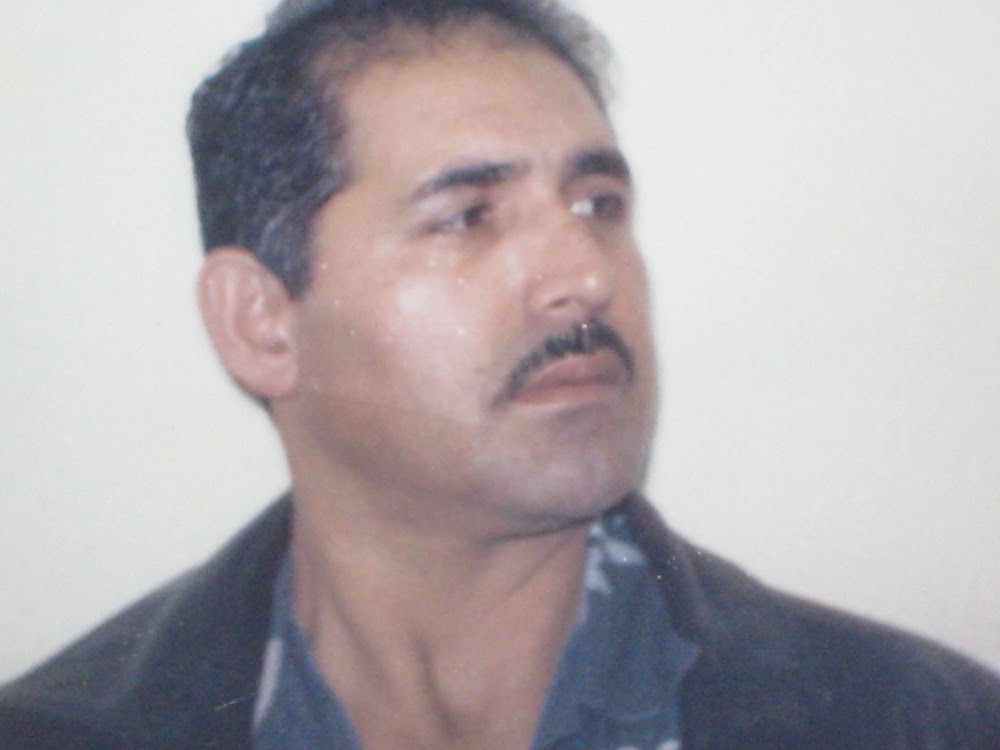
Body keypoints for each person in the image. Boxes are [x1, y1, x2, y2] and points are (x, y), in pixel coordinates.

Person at [2, 0, 998, 747]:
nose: (586, 274)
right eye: (467, 217)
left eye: (598, 204)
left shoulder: (917, 723)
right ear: (260, 322)